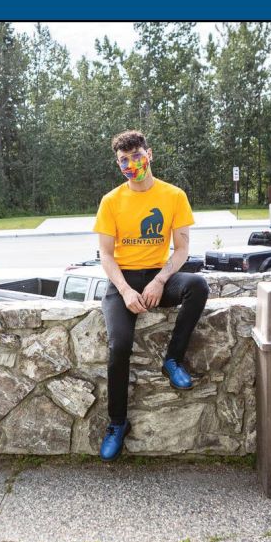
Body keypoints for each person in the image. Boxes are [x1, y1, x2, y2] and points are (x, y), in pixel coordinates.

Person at [93, 130, 209, 461]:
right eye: (123, 160)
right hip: (121, 282)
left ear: (149, 154)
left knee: (197, 286)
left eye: (136, 156)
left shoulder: (173, 196)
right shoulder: (111, 201)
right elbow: (105, 254)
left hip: (158, 276)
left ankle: (172, 359)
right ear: (118, 163)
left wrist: (160, 281)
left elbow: (182, 249)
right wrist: (126, 290)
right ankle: (117, 423)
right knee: (119, 346)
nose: (131, 165)